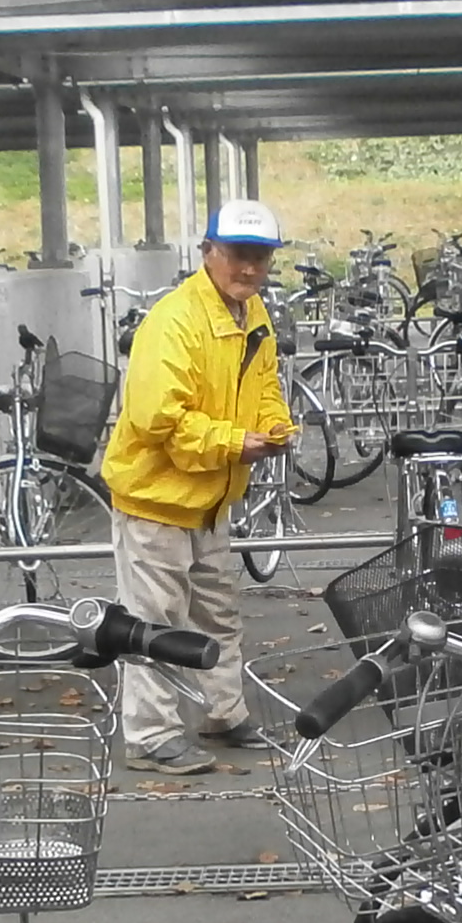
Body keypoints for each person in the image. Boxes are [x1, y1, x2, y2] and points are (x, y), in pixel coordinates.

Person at [97, 198, 296, 772]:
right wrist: (235, 443)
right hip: (156, 500)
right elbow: (157, 420)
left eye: (260, 257)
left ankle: (224, 712)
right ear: (208, 252)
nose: (249, 268)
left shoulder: (251, 314)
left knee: (218, 614)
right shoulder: (175, 320)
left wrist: (275, 425)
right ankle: (150, 735)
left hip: (210, 498)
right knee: (153, 624)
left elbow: (264, 386)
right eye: (238, 255)